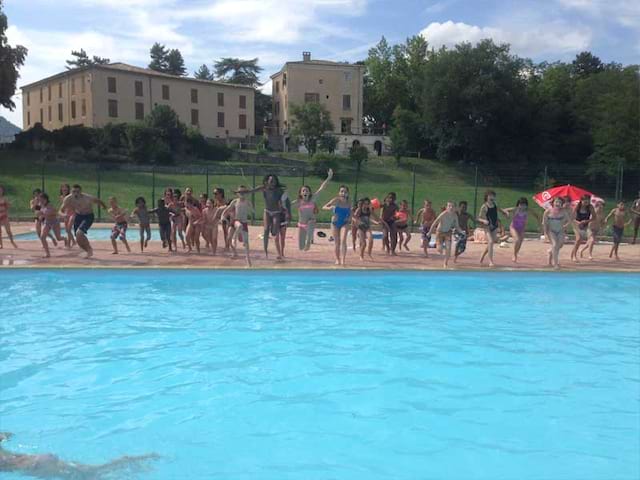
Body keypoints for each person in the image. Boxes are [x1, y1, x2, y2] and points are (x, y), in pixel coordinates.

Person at [0, 431, 159, 479]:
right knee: (93, 471)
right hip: (36, 459)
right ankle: (129, 461)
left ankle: (128, 462)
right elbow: (7, 435)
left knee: (90, 474)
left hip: (36, 465)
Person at [59, 184, 107, 258]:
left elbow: (98, 201)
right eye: (74, 192)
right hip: (78, 216)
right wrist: (63, 215)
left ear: (80, 192)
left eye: (77, 192)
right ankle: (88, 250)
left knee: (79, 233)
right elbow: (60, 210)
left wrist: (104, 206)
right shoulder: (68, 198)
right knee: (78, 239)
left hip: (88, 216)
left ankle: (89, 249)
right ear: (71, 192)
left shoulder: (87, 197)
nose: (75, 194)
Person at [291, 169, 333, 251]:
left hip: (311, 222)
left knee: (311, 222)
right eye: (303, 191)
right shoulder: (298, 202)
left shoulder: (312, 199)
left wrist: (329, 177)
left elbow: (322, 188)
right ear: (300, 193)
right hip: (301, 225)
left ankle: (309, 240)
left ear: (310, 193)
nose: (305, 192)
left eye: (307, 190)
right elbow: (287, 205)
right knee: (301, 247)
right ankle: (307, 242)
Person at [221, 185, 254, 266]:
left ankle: (248, 260)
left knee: (246, 243)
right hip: (236, 221)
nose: (242, 194)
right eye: (240, 192)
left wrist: (252, 210)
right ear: (237, 194)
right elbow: (227, 209)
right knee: (239, 227)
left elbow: (253, 211)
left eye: (243, 192)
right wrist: (222, 216)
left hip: (244, 223)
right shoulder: (235, 201)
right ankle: (234, 239)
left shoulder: (247, 202)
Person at [427, 200, 463, 269]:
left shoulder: (455, 216)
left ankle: (445, 263)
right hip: (439, 232)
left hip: (448, 233)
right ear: (446, 207)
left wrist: (461, 231)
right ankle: (440, 246)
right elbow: (434, 223)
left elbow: (457, 226)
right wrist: (430, 232)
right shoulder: (443, 214)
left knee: (448, 249)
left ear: (455, 208)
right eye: (449, 206)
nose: (451, 207)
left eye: (452, 206)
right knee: (439, 250)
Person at [504, 197, 540, 263]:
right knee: (517, 240)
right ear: (518, 205)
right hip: (513, 227)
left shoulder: (528, 210)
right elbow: (504, 210)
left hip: (522, 229)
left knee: (520, 243)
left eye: (524, 205)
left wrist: (539, 224)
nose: (522, 207)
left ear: (526, 205)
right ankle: (514, 255)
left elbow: (536, 215)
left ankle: (516, 253)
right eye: (521, 205)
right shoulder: (515, 209)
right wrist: (507, 213)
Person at [323, 185, 352, 266]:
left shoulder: (349, 202)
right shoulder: (336, 200)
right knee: (337, 242)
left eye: (345, 192)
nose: (343, 193)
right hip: (335, 223)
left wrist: (349, 218)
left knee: (343, 240)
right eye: (342, 191)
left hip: (344, 223)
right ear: (339, 193)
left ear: (347, 193)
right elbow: (324, 207)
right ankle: (337, 259)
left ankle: (343, 260)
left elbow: (350, 212)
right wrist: (331, 208)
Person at [478, 190, 508, 267]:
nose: (492, 197)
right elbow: (478, 218)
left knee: (491, 243)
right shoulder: (484, 206)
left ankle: (482, 256)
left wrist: (505, 213)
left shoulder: (495, 204)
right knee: (490, 242)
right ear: (486, 197)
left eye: (493, 196)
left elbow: (500, 210)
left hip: (495, 226)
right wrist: (484, 220)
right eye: (490, 196)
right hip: (487, 227)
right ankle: (491, 261)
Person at [261, 174, 286, 260]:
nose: (273, 183)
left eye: (274, 181)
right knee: (265, 230)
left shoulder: (279, 190)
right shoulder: (264, 188)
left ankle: (272, 227)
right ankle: (265, 251)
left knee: (275, 232)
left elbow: (286, 201)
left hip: (276, 212)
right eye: (271, 181)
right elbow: (251, 191)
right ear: (267, 181)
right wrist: (240, 192)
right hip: (267, 211)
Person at [542, 197, 572, 270]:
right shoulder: (547, 211)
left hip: (560, 231)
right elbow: (544, 223)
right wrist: (545, 233)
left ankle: (550, 251)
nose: (558, 204)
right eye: (556, 202)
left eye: (559, 202)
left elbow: (569, 220)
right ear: (553, 203)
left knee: (560, 245)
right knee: (555, 245)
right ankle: (556, 264)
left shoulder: (563, 212)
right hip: (551, 231)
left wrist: (565, 226)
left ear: (562, 204)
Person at [37, 193, 67, 258]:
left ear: (46, 199)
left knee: (58, 238)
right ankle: (48, 254)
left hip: (55, 222)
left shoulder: (50, 205)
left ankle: (65, 239)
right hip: (47, 222)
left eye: (42, 199)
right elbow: (38, 212)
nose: (41, 201)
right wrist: (40, 216)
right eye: (40, 199)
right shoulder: (40, 205)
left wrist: (64, 215)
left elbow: (57, 212)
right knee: (42, 237)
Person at [570, 194, 595, 263]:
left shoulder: (590, 207)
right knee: (578, 239)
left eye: (588, 200)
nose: (586, 202)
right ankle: (574, 256)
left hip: (585, 225)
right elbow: (571, 218)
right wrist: (578, 222)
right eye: (585, 200)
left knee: (585, 239)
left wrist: (586, 221)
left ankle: (572, 254)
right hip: (576, 224)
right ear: (581, 200)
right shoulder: (577, 206)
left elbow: (594, 217)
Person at [0, 185, 18, 249]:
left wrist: (7, 206)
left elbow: (8, 207)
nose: (0, 191)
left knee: (8, 231)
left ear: (2, 191)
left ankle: (12, 242)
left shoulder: (4, 199)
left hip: (4, 216)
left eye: (1, 190)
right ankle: (1, 245)